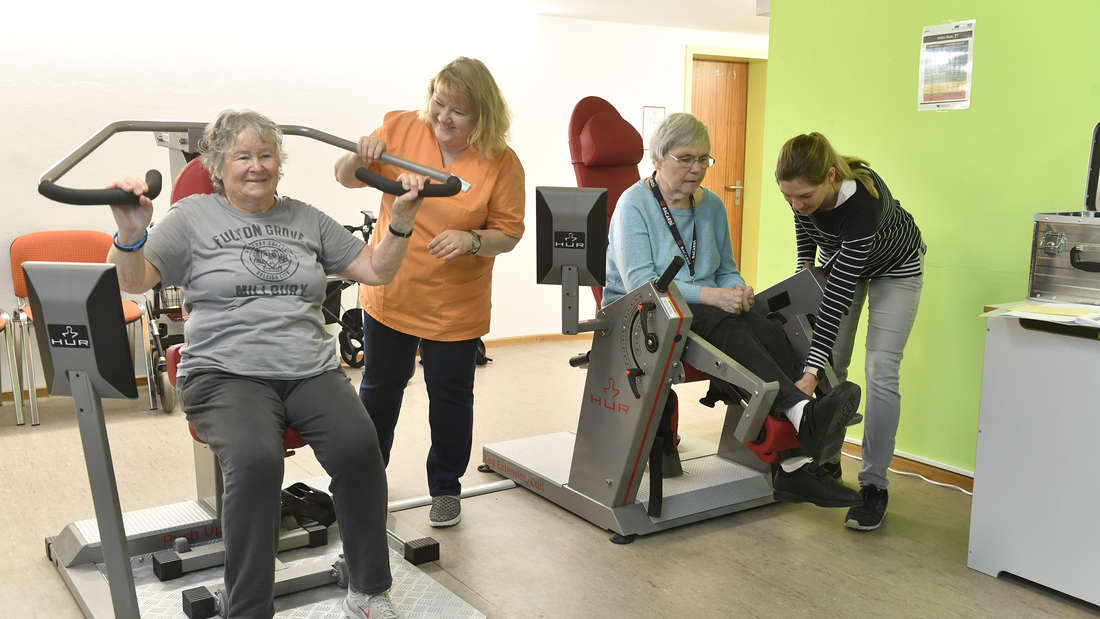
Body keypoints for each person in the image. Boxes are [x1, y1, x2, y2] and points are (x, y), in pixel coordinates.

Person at [107, 109, 422, 618]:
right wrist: (130, 233)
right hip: (224, 372)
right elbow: (135, 280)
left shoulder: (305, 217)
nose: (256, 166)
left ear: (280, 163)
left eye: (266, 155)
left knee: (361, 447)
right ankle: (249, 608)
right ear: (218, 166)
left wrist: (402, 221)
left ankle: (368, 590)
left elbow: (375, 270)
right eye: (242, 156)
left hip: (309, 369)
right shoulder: (192, 217)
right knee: (256, 461)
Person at [603, 113, 863, 508]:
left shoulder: (712, 207)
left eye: (704, 159)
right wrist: (714, 296)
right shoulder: (632, 205)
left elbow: (725, 269)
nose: (696, 168)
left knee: (772, 329)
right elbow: (643, 284)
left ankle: (795, 464)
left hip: (703, 311)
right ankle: (799, 413)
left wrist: (736, 290)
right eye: (686, 158)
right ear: (656, 158)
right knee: (729, 328)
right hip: (643, 314)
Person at [334, 57, 525, 528]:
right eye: (439, 103)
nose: (443, 117)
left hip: (454, 303)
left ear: (483, 116)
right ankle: (365, 482)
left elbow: (510, 231)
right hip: (392, 289)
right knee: (379, 391)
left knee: (450, 397)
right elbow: (344, 175)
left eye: (458, 111)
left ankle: (445, 488)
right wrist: (361, 153)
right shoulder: (399, 127)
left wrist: (471, 240)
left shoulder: (501, 162)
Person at [775, 132, 926, 531]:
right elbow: (806, 235)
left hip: (897, 266)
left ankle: (874, 485)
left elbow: (837, 295)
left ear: (830, 177)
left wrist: (807, 372)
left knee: (880, 370)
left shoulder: (863, 202)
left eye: (804, 196)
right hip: (842, 262)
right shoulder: (799, 189)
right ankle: (826, 466)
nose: (797, 205)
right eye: (788, 197)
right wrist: (804, 265)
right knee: (832, 368)